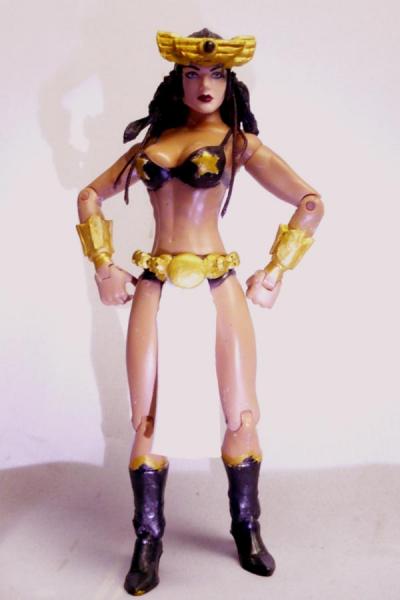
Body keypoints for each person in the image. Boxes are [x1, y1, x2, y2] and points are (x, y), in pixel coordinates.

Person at [76, 28, 324, 597]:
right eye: (192, 74)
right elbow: (89, 195)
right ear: (178, 81)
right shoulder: (153, 144)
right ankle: (148, 539)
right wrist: (104, 266)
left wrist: (275, 271)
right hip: (156, 285)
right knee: (146, 417)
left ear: (229, 82)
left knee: (240, 414)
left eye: (215, 74)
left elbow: (310, 202)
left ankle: (247, 527)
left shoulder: (238, 144)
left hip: (217, 286)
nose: (204, 84)